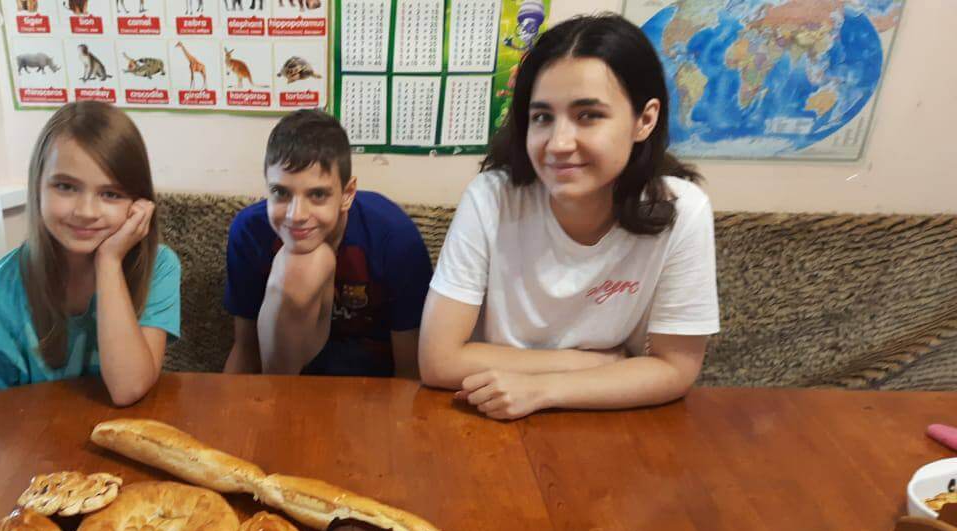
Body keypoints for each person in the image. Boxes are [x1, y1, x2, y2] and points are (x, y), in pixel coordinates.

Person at [420, 13, 719, 420]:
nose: (558, 143)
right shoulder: (492, 198)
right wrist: (589, 364)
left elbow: (675, 368)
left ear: (645, 120)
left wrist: (542, 389)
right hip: (488, 415)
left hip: (610, 421)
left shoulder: (681, 211)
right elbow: (438, 361)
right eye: (542, 117)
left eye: (588, 115)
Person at [0, 102, 180, 405]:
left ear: (139, 205)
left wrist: (109, 262)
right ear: (37, 187)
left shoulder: (159, 266)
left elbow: (128, 388)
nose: (86, 212)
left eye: (110, 194)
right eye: (65, 187)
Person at [223, 109, 433, 378]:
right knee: (299, 266)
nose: (296, 215)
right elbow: (246, 349)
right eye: (281, 192)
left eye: (318, 194)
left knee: (311, 262)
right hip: (286, 381)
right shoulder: (250, 232)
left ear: (347, 194)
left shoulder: (396, 239)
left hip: (372, 385)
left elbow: (410, 371)